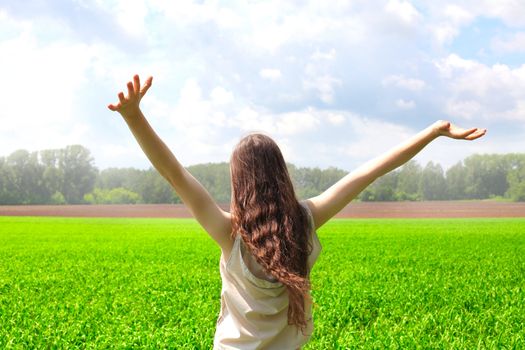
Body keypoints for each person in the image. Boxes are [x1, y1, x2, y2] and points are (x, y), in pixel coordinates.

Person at [108, 74, 487, 349]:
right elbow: (370, 171)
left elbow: (174, 174)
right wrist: (431, 132)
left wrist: (133, 117)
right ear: (281, 175)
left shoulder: (229, 235)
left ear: (239, 182)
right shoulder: (305, 220)